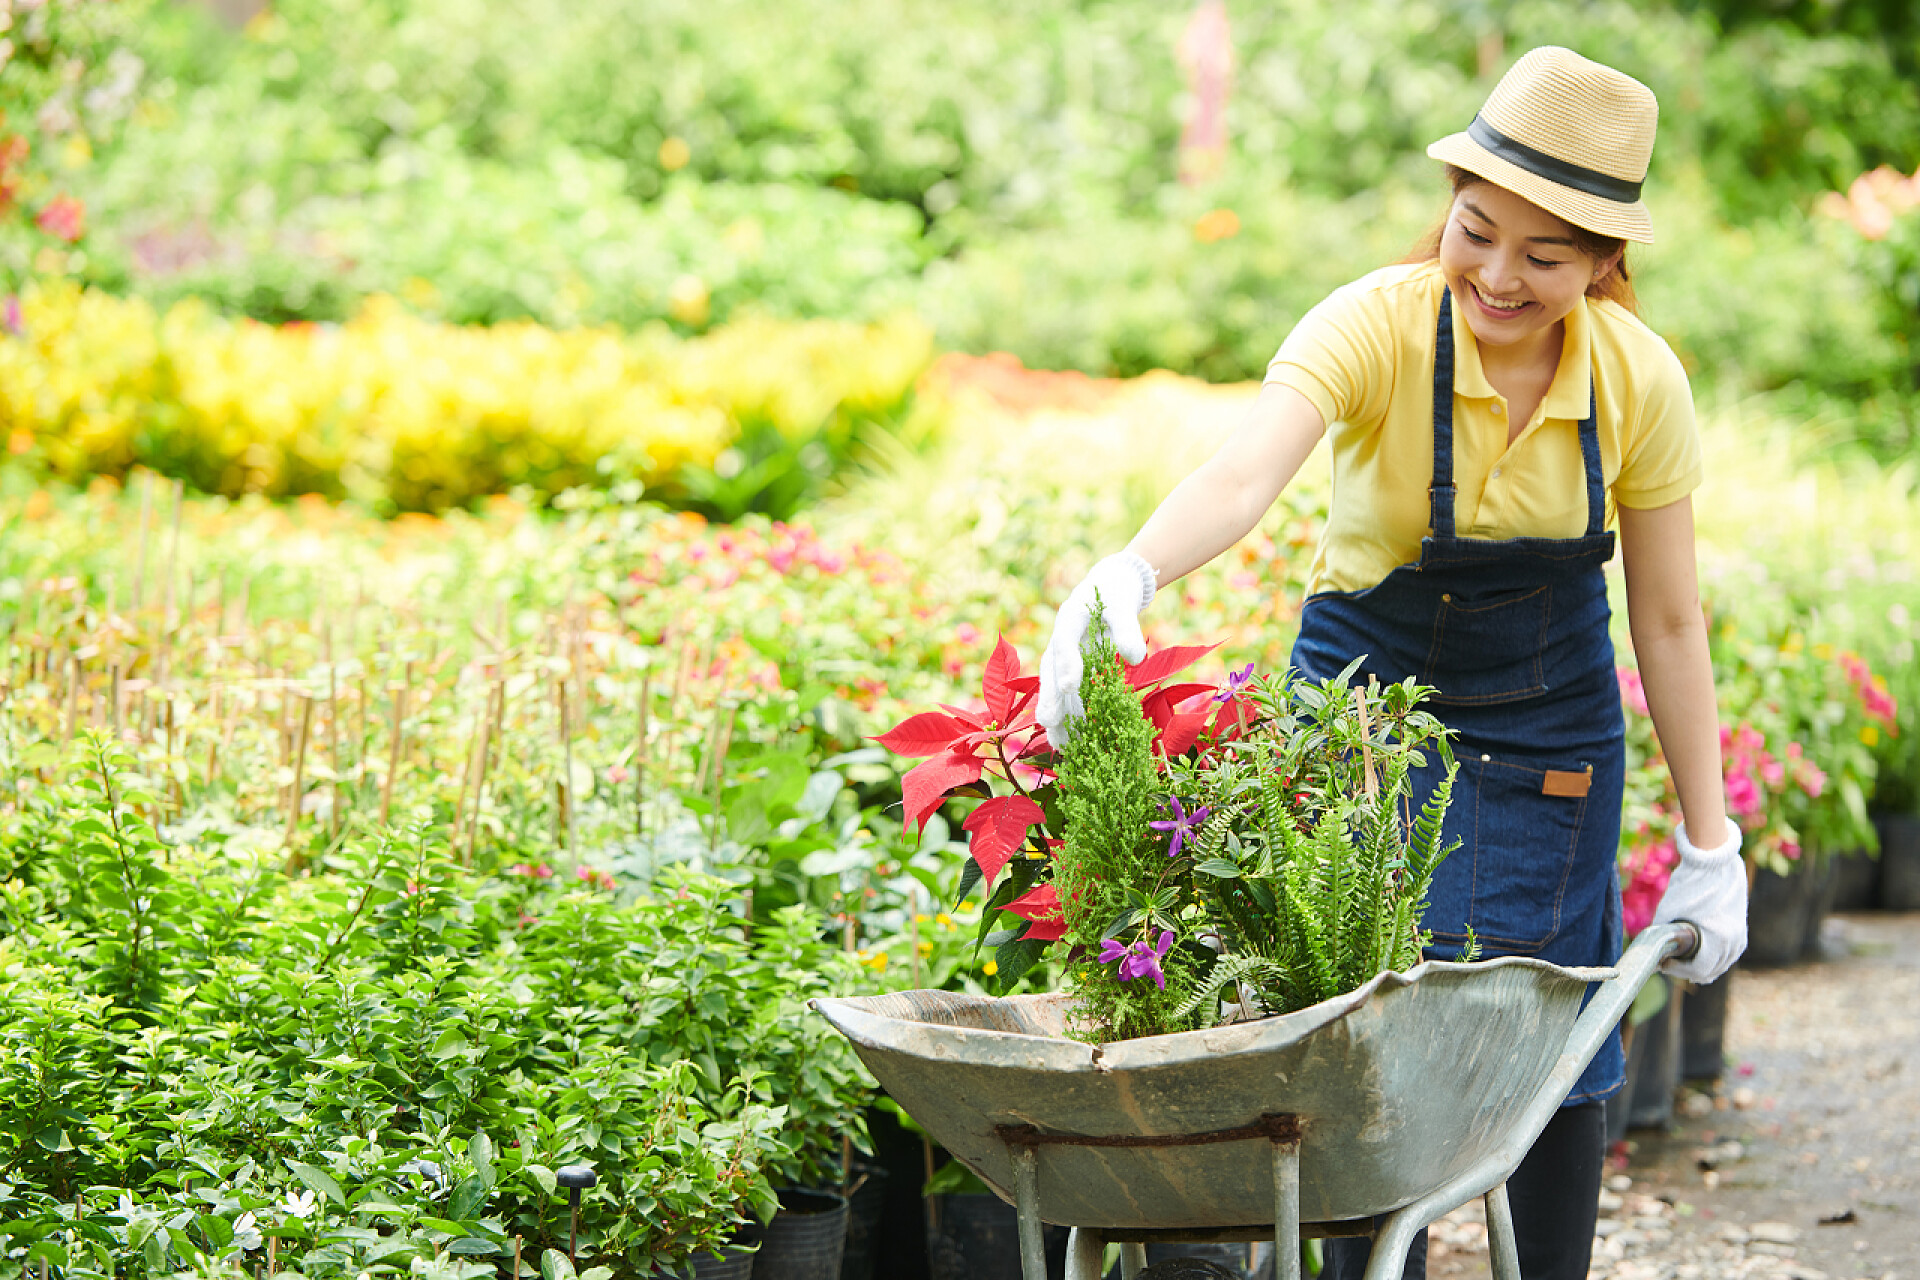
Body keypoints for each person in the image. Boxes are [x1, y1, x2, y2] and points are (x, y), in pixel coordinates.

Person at [1034, 46, 1748, 1280]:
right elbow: (1243, 474)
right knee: (1361, 1020)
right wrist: (1131, 570)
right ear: (1450, 206)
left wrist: (1710, 839)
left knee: (1558, 1029)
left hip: (1551, 727)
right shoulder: (1374, 324)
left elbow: (1669, 621)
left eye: (1546, 255)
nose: (1500, 276)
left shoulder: (1639, 379)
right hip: (1363, 710)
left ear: (1603, 262)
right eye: (1478, 231)